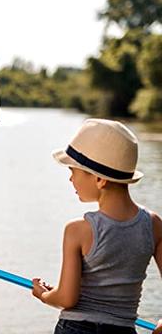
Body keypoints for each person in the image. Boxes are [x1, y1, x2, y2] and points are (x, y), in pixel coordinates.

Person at [31, 118, 162, 334]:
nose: (71, 179)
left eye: (73, 171)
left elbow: (66, 298)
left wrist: (43, 294)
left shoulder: (78, 230)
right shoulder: (154, 224)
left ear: (100, 180)